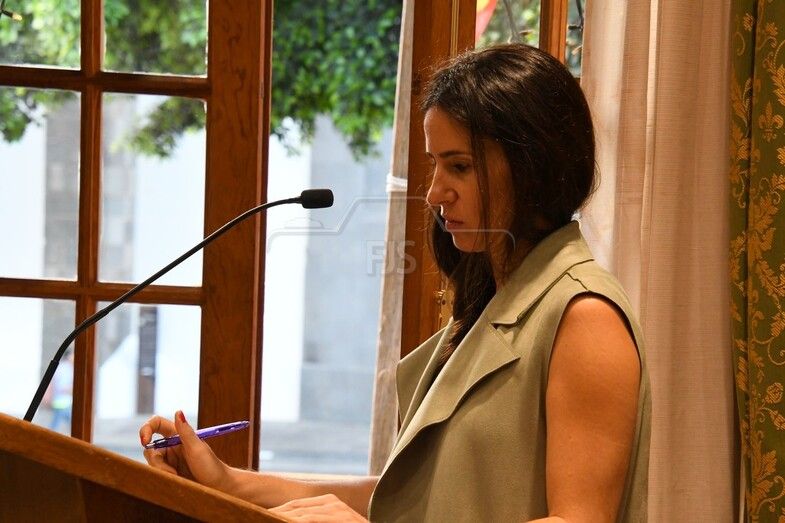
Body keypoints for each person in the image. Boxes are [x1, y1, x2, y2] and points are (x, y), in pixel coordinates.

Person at [140, 43, 650, 522]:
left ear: (532, 166)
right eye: (435, 164)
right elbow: (400, 501)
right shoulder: (488, 309)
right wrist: (226, 481)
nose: (434, 193)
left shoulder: (585, 317)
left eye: (459, 166)